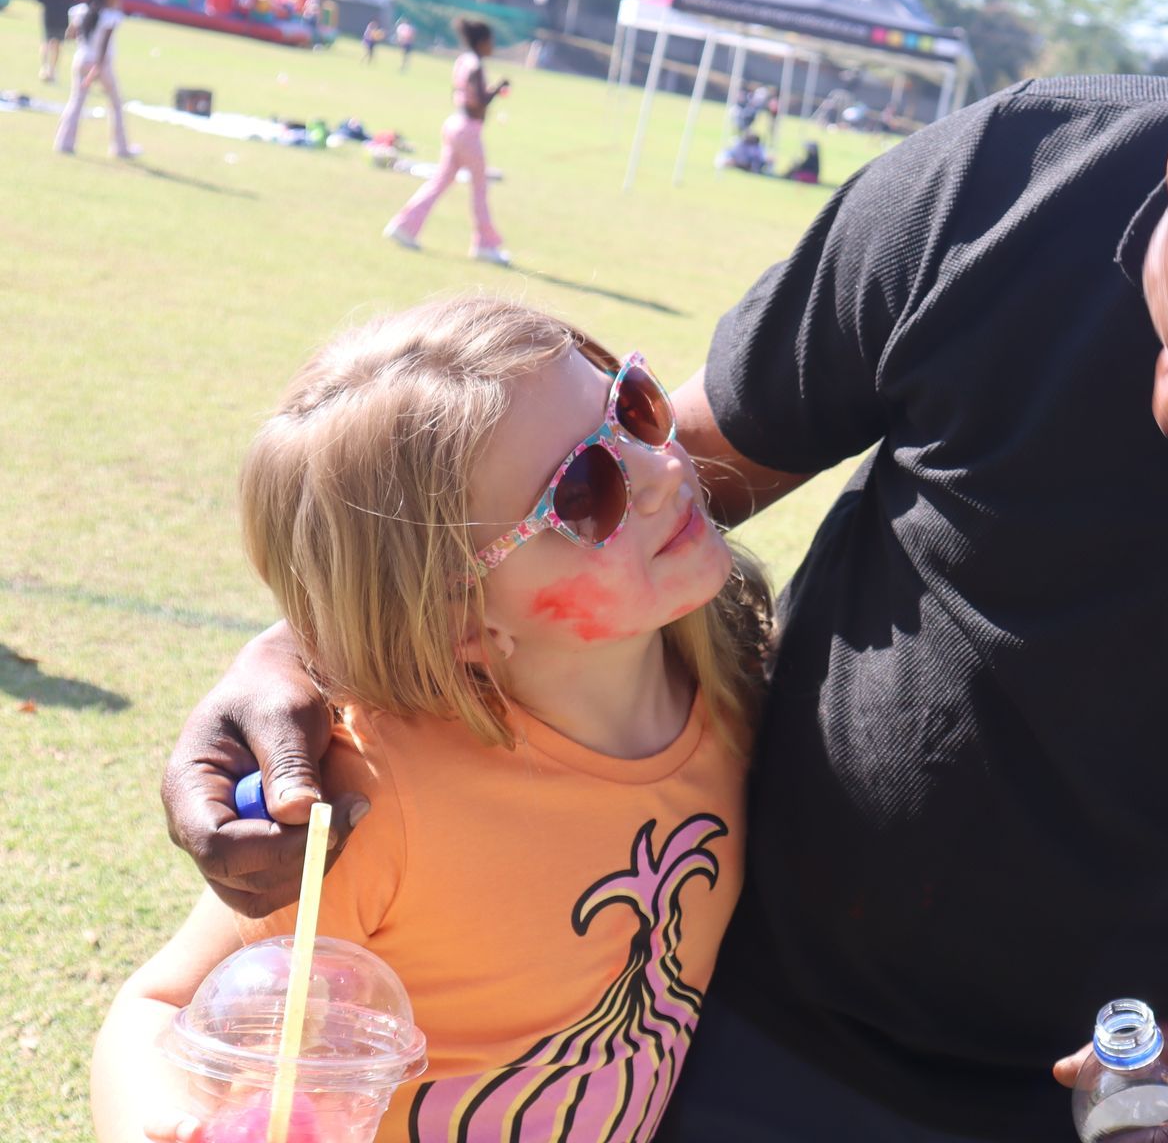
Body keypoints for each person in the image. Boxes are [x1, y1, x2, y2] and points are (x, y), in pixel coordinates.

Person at [163, 0, 1168, 1142]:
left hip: (1102, 1105)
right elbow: (700, 461)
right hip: (715, 1005)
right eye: (1166, 322)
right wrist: (328, 638)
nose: (1160, 397)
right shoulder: (1025, 181)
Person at [94, 296, 771, 1143]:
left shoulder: (743, 702)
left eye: (632, 406)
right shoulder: (379, 798)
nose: (668, 470)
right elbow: (156, 1008)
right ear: (462, 620)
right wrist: (167, 1122)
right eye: (585, 491)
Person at [384, 17, 512, 264]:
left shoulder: (463, 61)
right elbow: (477, 102)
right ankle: (485, 244)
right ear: (482, 41)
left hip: (455, 125)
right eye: (491, 42)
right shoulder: (475, 65)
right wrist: (497, 89)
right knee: (479, 188)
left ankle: (404, 226)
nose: (493, 47)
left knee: (440, 182)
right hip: (468, 130)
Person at [53, 0, 135, 158]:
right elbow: (104, 46)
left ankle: (64, 143)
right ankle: (120, 148)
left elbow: (70, 34)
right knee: (115, 104)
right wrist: (97, 68)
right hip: (100, 64)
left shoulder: (80, 11)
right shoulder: (111, 16)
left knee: (75, 102)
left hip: (81, 60)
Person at [30, 0, 82, 83]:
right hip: (62, 17)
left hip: (49, 16)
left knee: (47, 42)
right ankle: (52, 70)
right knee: (57, 44)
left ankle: (44, 68)